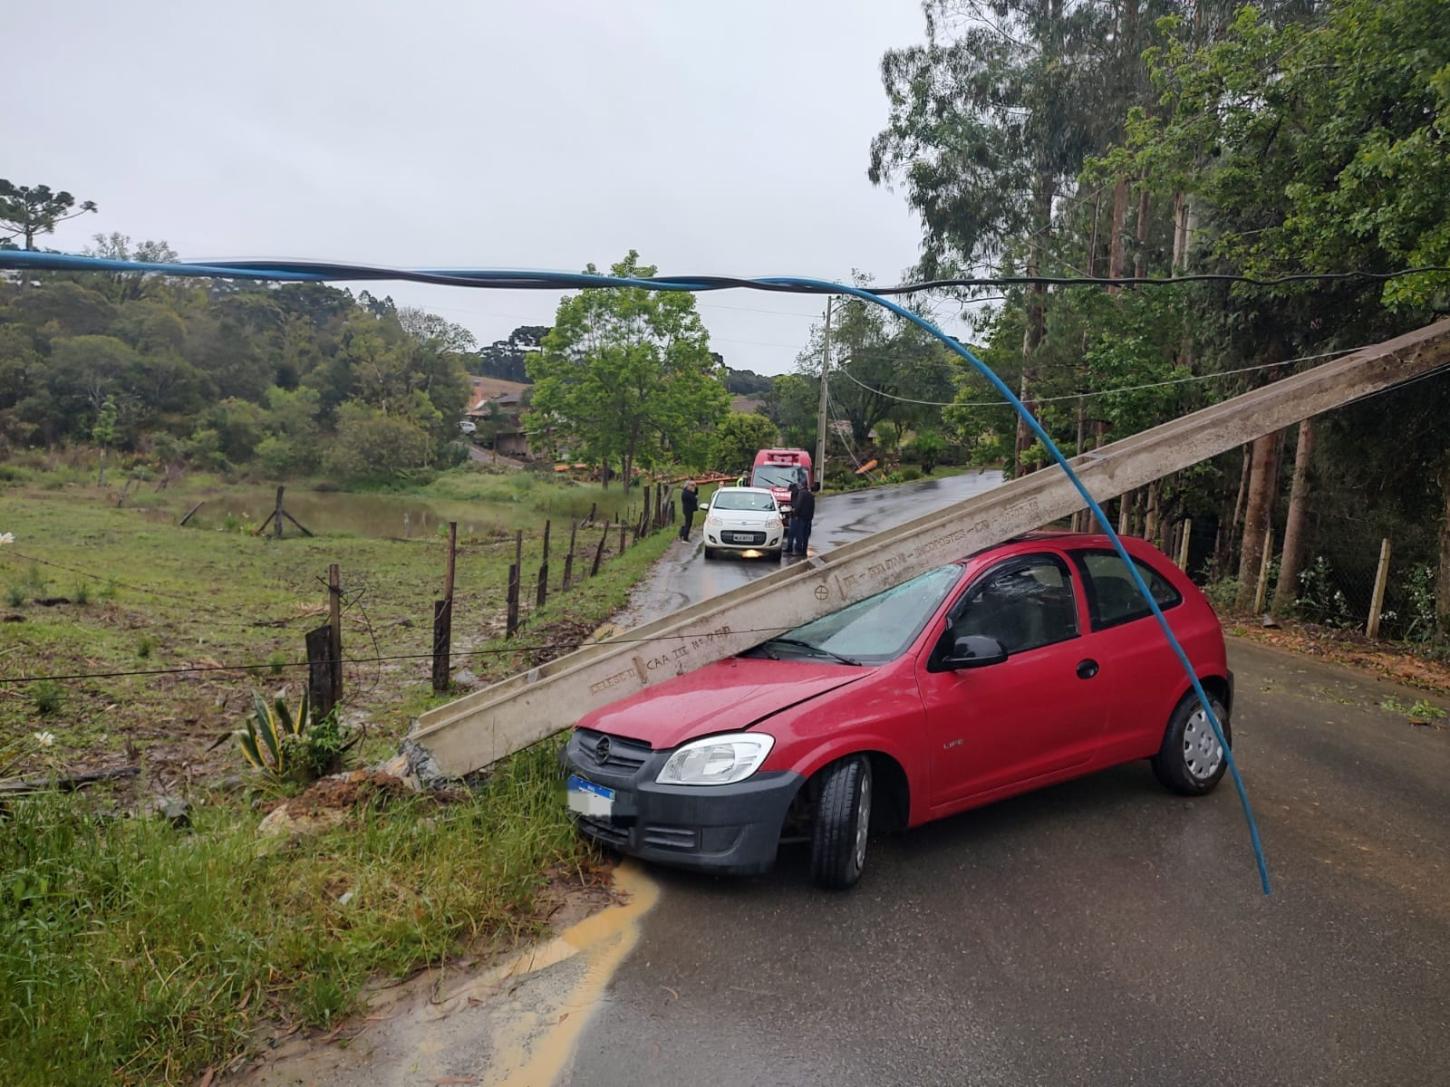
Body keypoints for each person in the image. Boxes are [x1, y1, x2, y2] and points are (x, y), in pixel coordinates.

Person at [791, 483, 816, 556]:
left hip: (801, 517)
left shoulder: (801, 494)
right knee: (806, 535)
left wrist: (795, 514)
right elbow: (813, 507)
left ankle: (798, 550)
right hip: (809, 518)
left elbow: (798, 505)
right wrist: (811, 517)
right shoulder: (811, 495)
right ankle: (804, 551)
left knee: (799, 534)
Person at [783, 483, 800, 554]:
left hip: (795, 516)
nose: (790, 491)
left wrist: (791, 509)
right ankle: (793, 547)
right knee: (795, 533)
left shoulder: (796, 494)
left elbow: (795, 505)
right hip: (794, 515)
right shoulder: (796, 493)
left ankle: (791, 548)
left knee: (792, 533)